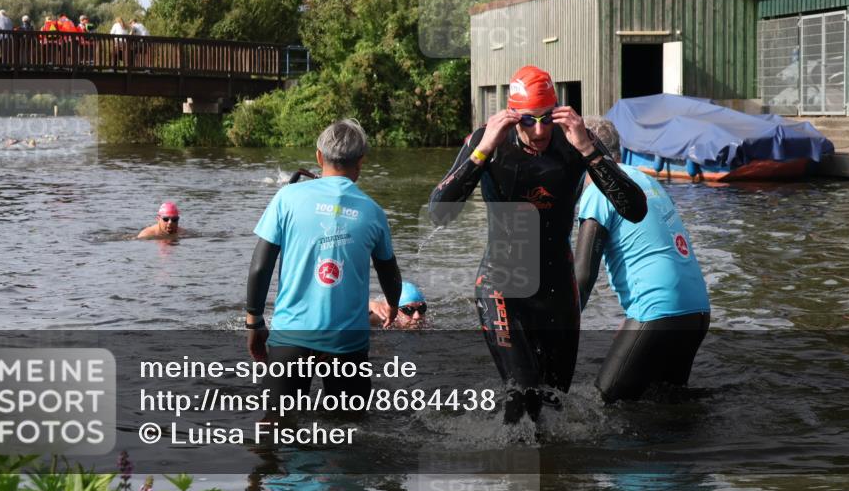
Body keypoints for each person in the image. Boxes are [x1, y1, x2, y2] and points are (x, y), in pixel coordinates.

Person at [428, 65, 647, 424]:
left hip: (557, 288)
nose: (541, 130)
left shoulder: (576, 139)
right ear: (513, 116)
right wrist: (482, 152)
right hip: (502, 284)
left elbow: (635, 209)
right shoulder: (489, 141)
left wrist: (588, 150)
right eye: (529, 121)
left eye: (547, 118)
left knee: (554, 403)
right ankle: (513, 471)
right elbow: (440, 212)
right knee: (523, 392)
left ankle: (556, 478)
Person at [245, 119, 402, 415]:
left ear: (319, 156)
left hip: (292, 337)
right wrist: (393, 304)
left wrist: (254, 321)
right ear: (361, 161)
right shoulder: (373, 211)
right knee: (350, 432)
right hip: (348, 343)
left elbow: (260, 266)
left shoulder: (287, 198)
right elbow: (388, 271)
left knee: (275, 429)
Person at [575, 116, 710, 403]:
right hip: (697, 310)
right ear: (619, 153)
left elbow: (583, 277)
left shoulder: (600, 190)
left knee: (604, 403)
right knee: (667, 405)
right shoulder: (648, 181)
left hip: (659, 310)